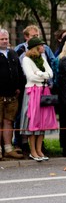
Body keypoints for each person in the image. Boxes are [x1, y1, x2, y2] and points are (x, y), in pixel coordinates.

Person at [19, 37, 57, 161]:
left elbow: (50, 73)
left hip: (43, 91)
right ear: (36, 47)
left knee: (42, 122)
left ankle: (39, 150)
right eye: (41, 45)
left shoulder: (42, 58)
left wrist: (40, 75)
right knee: (33, 121)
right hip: (32, 91)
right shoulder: (26, 59)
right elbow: (30, 77)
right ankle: (33, 151)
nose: (43, 47)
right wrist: (42, 75)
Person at [0, 29, 25, 160]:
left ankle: (8, 148)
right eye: (2, 39)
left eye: (6, 39)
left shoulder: (13, 53)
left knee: (9, 121)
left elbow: (19, 72)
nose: (5, 41)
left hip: (12, 95)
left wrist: (19, 87)